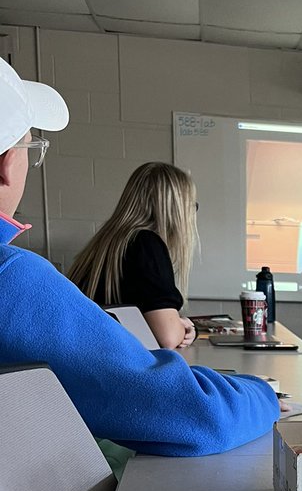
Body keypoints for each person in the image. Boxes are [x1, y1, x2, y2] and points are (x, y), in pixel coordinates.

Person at [0, 58, 279, 456]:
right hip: (99, 448)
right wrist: (264, 393)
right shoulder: (11, 276)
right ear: (7, 164)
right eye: (31, 149)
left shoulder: (108, 241)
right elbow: (199, 416)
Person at [68, 162, 198, 350]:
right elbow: (168, 338)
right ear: (177, 210)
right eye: (191, 206)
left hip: (92, 357)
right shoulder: (146, 244)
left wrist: (177, 324)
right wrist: (184, 327)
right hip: (116, 362)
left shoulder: (107, 242)